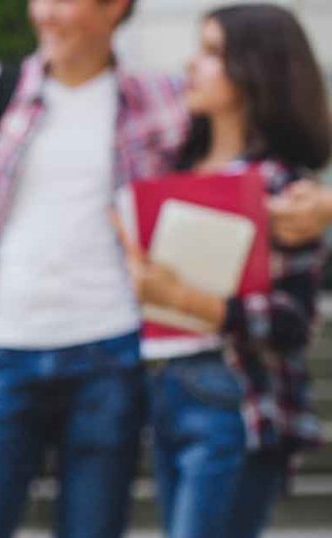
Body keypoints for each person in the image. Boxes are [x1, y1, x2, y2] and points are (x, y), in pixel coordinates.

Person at [0, 0, 190, 535]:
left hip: (111, 356)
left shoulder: (163, 98)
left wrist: (318, 205)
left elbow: (239, 152)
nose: (43, 13)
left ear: (115, 8)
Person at [128, 5, 331, 538]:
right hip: (165, 387)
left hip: (237, 395)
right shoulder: (173, 170)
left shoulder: (286, 188)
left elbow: (293, 321)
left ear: (255, 69)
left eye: (212, 53)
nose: (192, 66)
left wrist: (183, 298)